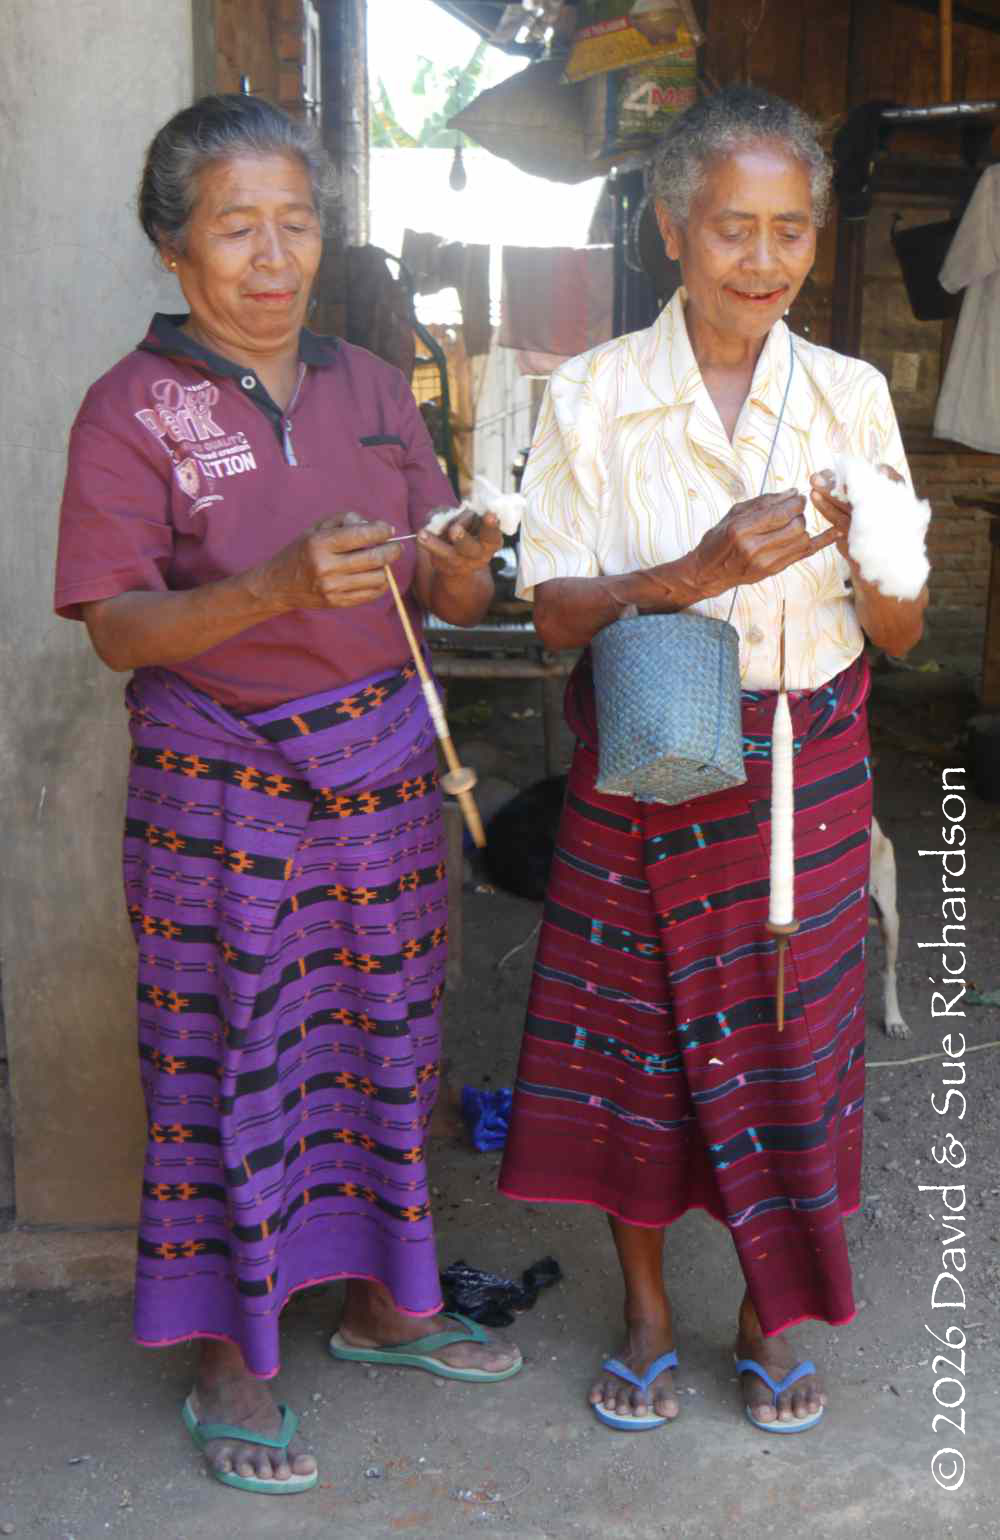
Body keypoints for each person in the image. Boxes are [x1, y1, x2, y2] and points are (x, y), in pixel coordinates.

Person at [54, 93, 520, 1497]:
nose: (273, 255)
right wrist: (266, 589)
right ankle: (231, 1356)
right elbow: (118, 629)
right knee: (228, 1057)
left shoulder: (375, 388)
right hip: (225, 786)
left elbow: (441, 579)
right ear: (170, 248)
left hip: (382, 775)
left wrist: (461, 559)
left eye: (297, 222)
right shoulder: (133, 410)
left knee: (387, 1036)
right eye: (236, 226)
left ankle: (389, 1305)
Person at [498, 86, 928, 1435]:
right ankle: (645, 1312)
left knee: (794, 1050)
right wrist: (695, 574)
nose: (763, 257)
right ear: (671, 228)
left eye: (789, 229)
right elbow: (552, 613)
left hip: (809, 763)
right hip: (646, 754)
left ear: (814, 240)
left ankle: (764, 1310)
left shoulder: (850, 395)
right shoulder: (594, 394)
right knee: (638, 1051)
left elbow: (905, 632)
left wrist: (869, 547)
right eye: (732, 226)